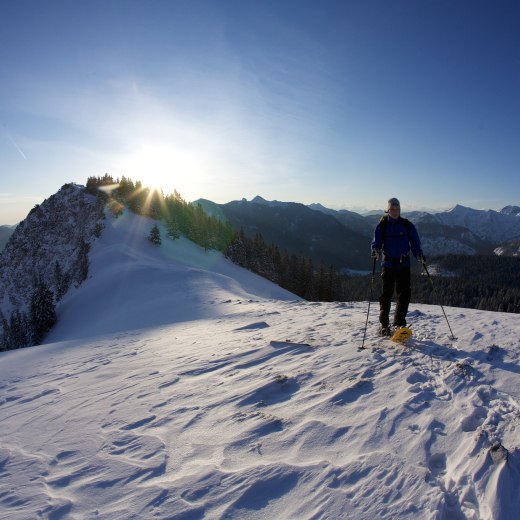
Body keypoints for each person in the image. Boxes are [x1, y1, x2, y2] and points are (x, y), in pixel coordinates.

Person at [371, 197, 424, 336]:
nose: (395, 211)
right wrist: (375, 250)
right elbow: (376, 242)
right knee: (386, 295)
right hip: (388, 265)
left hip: (403, 265)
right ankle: (384, 325)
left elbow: (415, 242)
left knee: (404, 295)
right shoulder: (382, 226)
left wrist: (419, 254)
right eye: (392, 209)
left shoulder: (407, 225)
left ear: (400, 210)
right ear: (388, 210)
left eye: (397, 209)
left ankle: (400, 325)